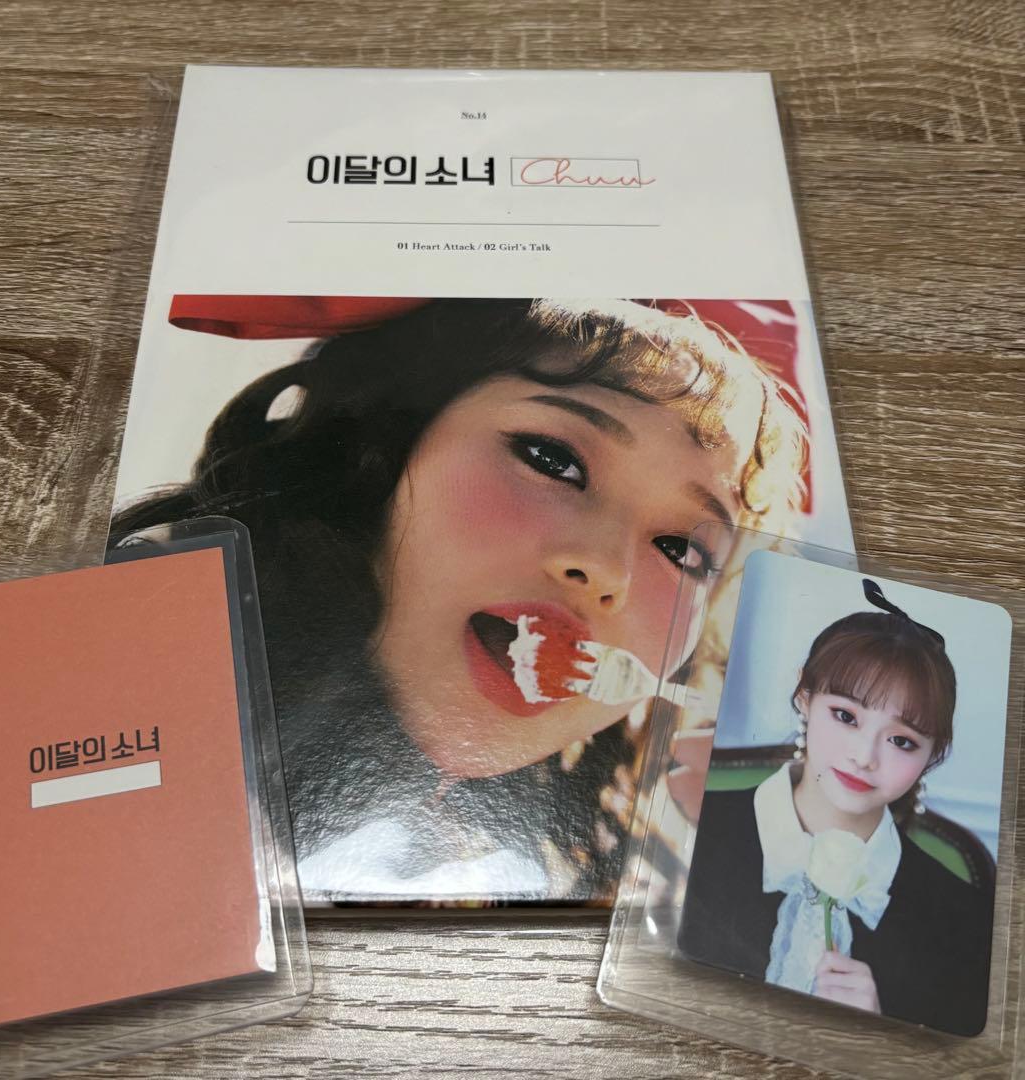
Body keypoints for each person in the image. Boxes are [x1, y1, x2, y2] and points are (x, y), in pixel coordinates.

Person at [110, 297, 808, 904]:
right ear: (382, 453)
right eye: (552, 460)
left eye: (682, 550)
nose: (603, 568)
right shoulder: (117, 703)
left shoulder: (605, 885)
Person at [678, 578, 994, 1036]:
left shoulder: (964, 918)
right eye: (846, 716)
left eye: (902, 741)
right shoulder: (689, 826)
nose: (864, 756)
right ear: (804, 697)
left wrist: (880, 1034)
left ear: (933, 755)